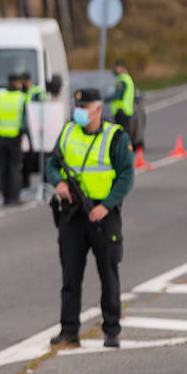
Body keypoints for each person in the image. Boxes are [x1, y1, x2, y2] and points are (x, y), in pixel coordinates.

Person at [46, 88, 135, 349]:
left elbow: (127, 175)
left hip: (103, 215)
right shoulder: (68, 131)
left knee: (108, 273)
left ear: (97, 108)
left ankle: (111, 330)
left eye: (85, 108)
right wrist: (58, 182)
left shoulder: (115, 137)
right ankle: (69, 331)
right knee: (70, 276)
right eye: (78, 107)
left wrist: (107, 205)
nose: (79, 112)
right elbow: (52, 163)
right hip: (72, 214)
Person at [0, 73, 27, 206]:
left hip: (1, 137)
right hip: (15, 137)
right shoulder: (21, 98)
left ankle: (6, 197)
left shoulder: (0, 97)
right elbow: (25, 121)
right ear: (16, 83)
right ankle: (15, 197)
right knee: (15, 168)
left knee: (3, 169)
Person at [109, 59, 135, 132]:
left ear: (121, 68)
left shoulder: (122, 80)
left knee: (121, 134)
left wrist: (105, 99)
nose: (114, 70)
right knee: (125, 133)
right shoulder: (126, 78)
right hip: (126, 111)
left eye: (116, 68)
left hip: (121, 111)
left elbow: (117, 95)